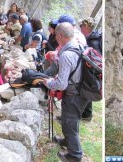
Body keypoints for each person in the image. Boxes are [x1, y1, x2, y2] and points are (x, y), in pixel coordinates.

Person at [44, 22, 88, 161]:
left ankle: (75, 155)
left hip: (74, 94)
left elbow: (61, 84)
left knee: (70, 124)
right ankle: (66, 141)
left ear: (60, 36)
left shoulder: (66, 54)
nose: (55, 38)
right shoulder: (78, 45)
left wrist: (48, 82)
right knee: (70, 121)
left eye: (56, 35)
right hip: (81, 91)